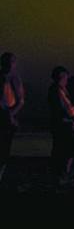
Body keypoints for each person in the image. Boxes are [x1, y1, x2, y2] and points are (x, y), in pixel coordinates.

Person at [48, 66, 74, 178]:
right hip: (63, 123)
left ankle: (61, 172)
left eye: (65, 77)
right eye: (62, 77)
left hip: (65, 122)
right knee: (64, 149)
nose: (64, 79)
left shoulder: (61, 90)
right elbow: (64, 107)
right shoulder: (56, 90)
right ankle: (61, 172)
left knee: (64, 148)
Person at [0, 53, 25, 182]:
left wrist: (11, 114)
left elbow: (21, 101)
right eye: (7, 62)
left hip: (7, 114)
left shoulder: (15, 78)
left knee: (4, 147)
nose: (10, 65)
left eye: (12, 62)